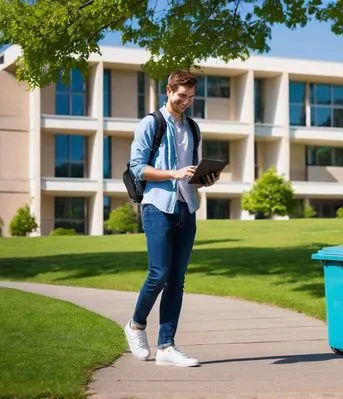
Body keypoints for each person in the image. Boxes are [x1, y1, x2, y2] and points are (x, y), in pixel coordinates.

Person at [124, 70, 219, 367]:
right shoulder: (151, 123)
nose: (186, 102)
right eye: (181, 96)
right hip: (157, 206)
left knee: (177, 280)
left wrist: (206, 179)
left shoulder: (193, 127)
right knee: (159, 272)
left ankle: (166, 346)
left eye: (191, 97)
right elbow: (137, 167)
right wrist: (172, 174)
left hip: (186, 207)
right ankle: (136, 325)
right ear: (168, 90)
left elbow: (192, 172)